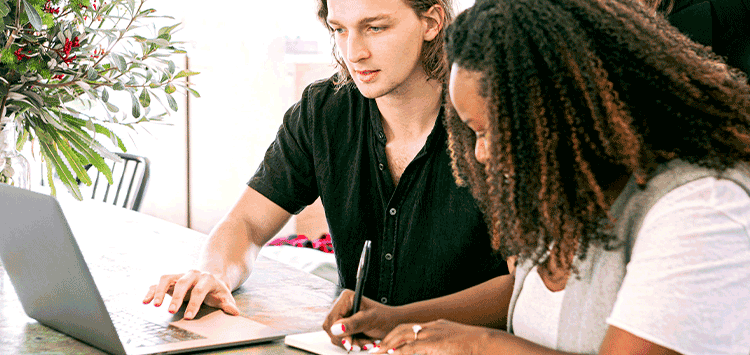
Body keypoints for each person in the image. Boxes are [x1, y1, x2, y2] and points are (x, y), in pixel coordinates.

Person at [322, 0, 750, 353]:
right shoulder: (567, 190)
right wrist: (397, 317)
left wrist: (481, 346)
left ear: (573, 109)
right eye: (473, 132)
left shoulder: (699, 207)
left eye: (494, 131)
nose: (480, 154)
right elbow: (530, 294)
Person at [142, 0, 508, 323]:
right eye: (339, 29)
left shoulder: (491, 120)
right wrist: (214, 274)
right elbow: (247, 222)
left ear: (432, 22)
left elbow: (524, 289)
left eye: (375, 28)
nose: (354, 51)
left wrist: (397, 321)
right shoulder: (323, 112)